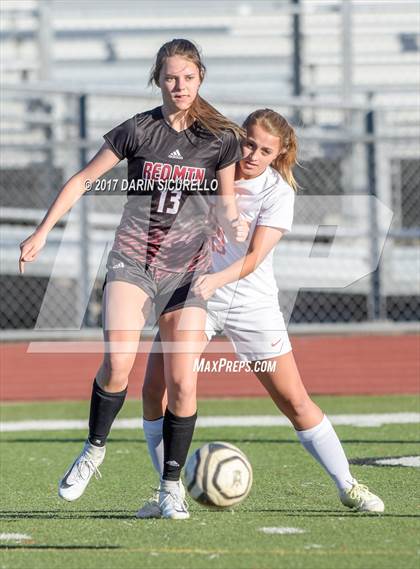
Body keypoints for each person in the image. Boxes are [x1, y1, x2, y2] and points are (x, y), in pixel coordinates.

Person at [18, 38, 249, 519]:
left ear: (200, 76)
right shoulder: (138, 129)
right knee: (119, 363)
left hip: (187, 270)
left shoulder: (221, 137)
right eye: (170, 77)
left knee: (183, 383)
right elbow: (84, 179)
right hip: (134, 261)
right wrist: (42, 232)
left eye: (187, 76)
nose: (179, 85)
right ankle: (94, 448)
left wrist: (234, 224)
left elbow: (227, 202)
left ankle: (171, 488)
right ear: (157, 79)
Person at [137, 108, 385, 519]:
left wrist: (214, 281)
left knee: (294, 400)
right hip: (191, 296)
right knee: (153, 389)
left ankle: (349, 485)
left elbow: (253, 258)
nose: (253, 154)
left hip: (249, 302)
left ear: (279, 154)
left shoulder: (278, 192)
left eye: (265, 150)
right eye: (249, 143)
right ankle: (170, 491)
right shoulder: (212, 167)